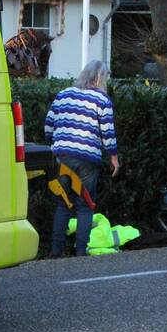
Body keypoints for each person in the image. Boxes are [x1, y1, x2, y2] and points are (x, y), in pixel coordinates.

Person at [44, 60, 120, 257]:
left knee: (63, 203)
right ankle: (80, 252)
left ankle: (56, 251)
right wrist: (113, 158)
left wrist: (55, 145)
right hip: (87, 159)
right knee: (85, 206)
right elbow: (107, 133)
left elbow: (49, 124)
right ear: (99, 78)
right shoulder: (101, 100)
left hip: (61, 157)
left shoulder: (63, 94)